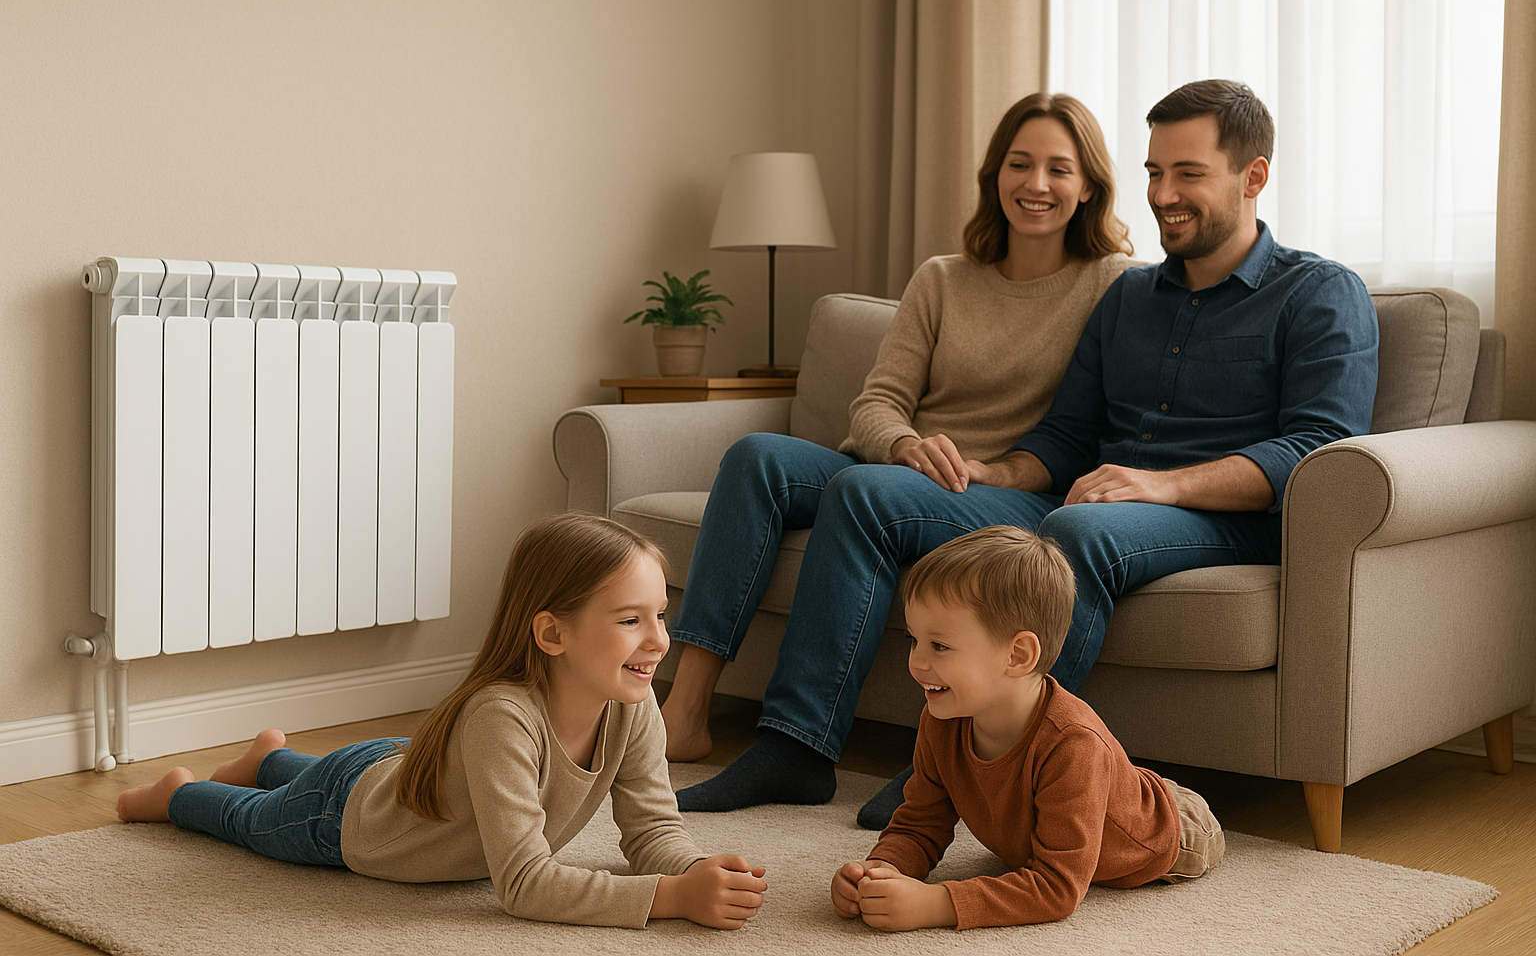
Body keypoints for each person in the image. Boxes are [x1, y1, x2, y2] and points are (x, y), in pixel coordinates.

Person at [856, 78, 1380, 829]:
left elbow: (1317, 448)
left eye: (1189, 174)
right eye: (1155, 173)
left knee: (1076, 531)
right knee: (982, 511)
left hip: (1238, 519)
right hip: (1120, 505)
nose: (1164, 195)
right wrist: (992, 474)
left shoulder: (1320, 293)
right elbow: (1068, 434)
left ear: (1253, 176)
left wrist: (1164, 486)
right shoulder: (1128, 297)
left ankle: (981, 775)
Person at [660, 93, 1137, 813]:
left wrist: (986, 468)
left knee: (864, 492)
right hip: (906, 472)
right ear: (995, 175)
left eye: (1059, 168)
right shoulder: (942, 277)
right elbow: (877, 402)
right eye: (1019, 163)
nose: (1036, 183)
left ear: (1090, 186)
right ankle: (685, 712)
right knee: (757, 456)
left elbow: (1086, 430)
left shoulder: (1113, 284)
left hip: (1011, 491)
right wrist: (907, 443)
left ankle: (797, 747)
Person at [115, 513, 769, 931]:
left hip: (395, 767)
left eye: (660, 615)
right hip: (344, 817)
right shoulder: (501, 718)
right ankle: (176, 792)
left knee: (340, 776)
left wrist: (695, 870)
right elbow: (524, 885)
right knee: (248, 821)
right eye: (630, 620)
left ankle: (267, 759)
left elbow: (652, 826)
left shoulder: (633, 703)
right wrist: (669, 899)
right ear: (552, 634)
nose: (659, 640)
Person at [831, 527, 1224, 931]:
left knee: (1114, 789)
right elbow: (920, 823)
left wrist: (937, 903)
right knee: (1097, 789)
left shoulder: (1072, 744)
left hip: (1176, 829)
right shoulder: (941, 720)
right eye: (914, 640)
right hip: (1103, 789)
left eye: (940, 646)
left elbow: (1056, 888)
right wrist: (881, 871)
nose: (916, 662)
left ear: (1018, 655)